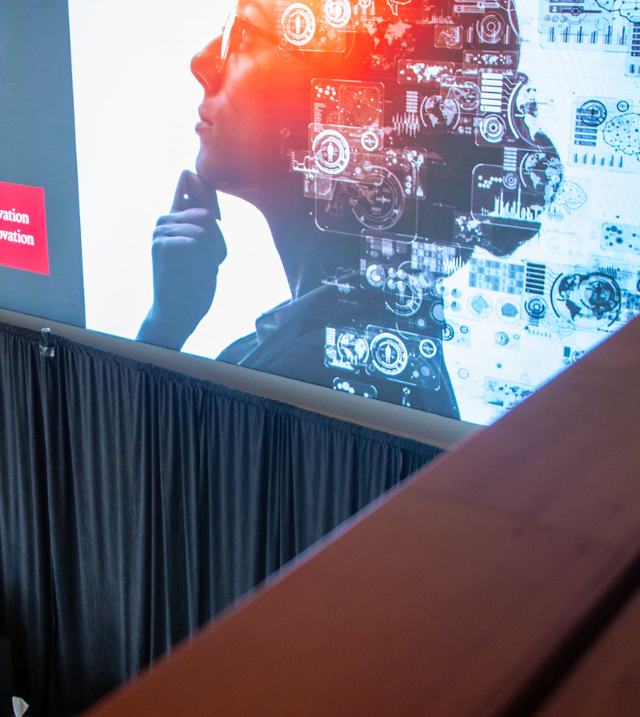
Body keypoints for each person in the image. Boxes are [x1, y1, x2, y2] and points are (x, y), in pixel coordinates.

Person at [136, 0, 560, 419]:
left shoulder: (317, 382)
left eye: (243, 34)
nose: (202, 61)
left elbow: (142, 481)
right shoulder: (349, 356)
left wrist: (163, 331)